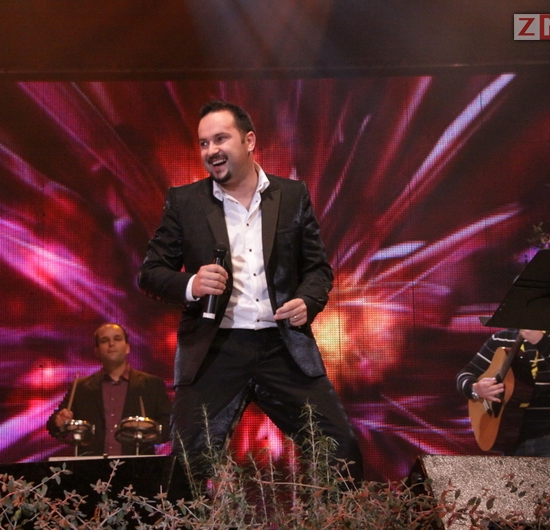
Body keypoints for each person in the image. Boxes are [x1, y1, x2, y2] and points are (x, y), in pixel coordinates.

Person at [137, 99, 364, 480]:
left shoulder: (292, 196)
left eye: (220, 139)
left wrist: (307, 300)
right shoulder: (185, 201)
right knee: (186, 468)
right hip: (215, 349)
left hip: (282, 346)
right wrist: (192, 284)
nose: (211, 150)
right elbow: (150, 273)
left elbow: (317, 269)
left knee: (341, 450)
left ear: (249, 141)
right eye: (204, 143)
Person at [47, 323, 171, 456]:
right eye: (104, 341)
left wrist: (152, 430)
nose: (111, 344)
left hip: (138, 465)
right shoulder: (81, 387)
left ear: (127, 347)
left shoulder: (152, 384)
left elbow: (170, 425)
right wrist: (58, 421)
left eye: (117, 339)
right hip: (93, 466)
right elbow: (54, 425)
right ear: (96, 351)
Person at [456, 328, 550, 458]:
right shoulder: (502, 338)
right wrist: (476, 390)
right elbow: (465, 374)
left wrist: (540, 340)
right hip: (512, 436)